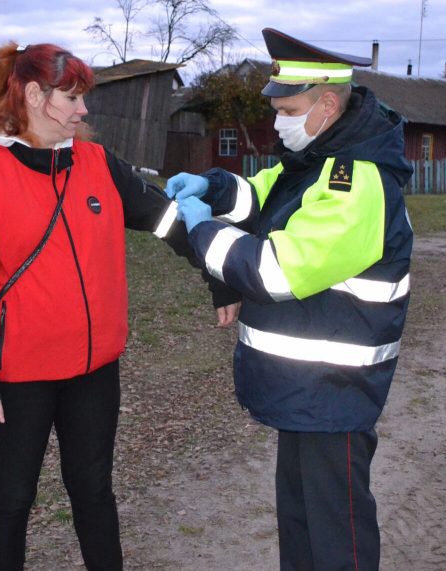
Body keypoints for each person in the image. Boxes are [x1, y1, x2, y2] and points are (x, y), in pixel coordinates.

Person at [0, 42, 230, 570]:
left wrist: (219, 276)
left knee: (94, 491)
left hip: (93, 370)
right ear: (32, 95)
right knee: (12, 498)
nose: (83, 110)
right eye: (71, 98)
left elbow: (167, 219)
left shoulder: (97, 164)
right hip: (17, 376)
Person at [167, 28, 414, 571]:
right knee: (301, 529)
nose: (279, 121)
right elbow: (260, 195)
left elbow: (275, 270)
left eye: (289, 109)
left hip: (335, 392)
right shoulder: (316, 160)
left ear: (328, 104)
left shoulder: (356, 181)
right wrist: (211, 186)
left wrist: (202, 231)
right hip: (308, 391)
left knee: (336, 539)